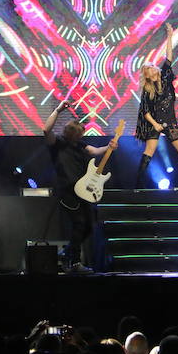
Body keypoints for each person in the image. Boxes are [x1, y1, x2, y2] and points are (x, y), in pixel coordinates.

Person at [44, 101, 119, 272]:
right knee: (78, 224)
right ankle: (75, 262)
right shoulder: (58, 144)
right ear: (70, 133)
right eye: (77, 135)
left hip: (83, 192)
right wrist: (57, 110)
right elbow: (46, 130)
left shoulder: (80, 145)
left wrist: (109, 147)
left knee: (88, 226)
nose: (80, 137)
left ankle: (66, 253)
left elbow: (94, 150)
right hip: (66, 192)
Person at [134, 23, 178, 189]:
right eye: (151, 66)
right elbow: (145, 112)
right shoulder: (148, 90)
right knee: (149, 152)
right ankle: (138, 185)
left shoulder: (166, 79)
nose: (155, 66)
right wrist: (156, 125)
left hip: (170, 121)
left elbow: (169, 56)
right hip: (155, 123)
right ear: (149, 73)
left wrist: (169, 36)